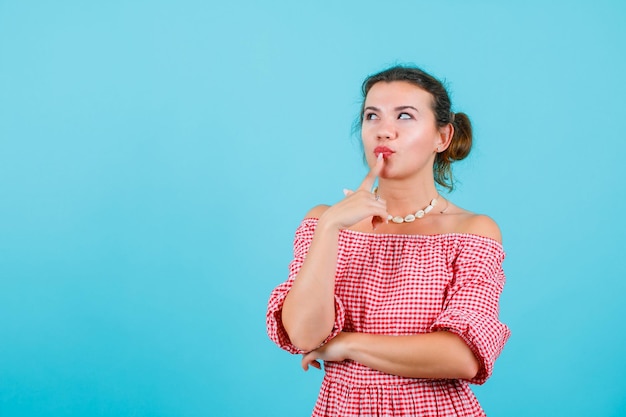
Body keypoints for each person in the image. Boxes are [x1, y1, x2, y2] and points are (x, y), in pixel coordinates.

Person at [266, 64, 510, 417]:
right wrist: (331, 225)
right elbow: (304, 336)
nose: (385, 131)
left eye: (405, 116)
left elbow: (463, 357)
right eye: (372, 117)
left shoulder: (472, 230)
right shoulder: (325, 221)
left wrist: (347, 344)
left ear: (442, 137)